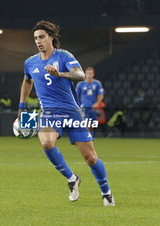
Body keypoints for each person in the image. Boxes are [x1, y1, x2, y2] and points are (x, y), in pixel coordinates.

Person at [18, 20, 115, 206]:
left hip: (72, 112)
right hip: (49, 112)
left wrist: (59, 74)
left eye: (42, 37)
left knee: (91, 158)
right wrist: (21, 107)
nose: (38, 41)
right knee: (46, 142)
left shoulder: (63, 56)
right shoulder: (30, 62)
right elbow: (27, 81)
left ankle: (106, 193)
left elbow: (79, 75)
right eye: (35, 38)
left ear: (51, 37)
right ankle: (72, 179)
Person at [76, 67, 105, 137]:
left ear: (93, 74)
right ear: (85, 74)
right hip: (84, 107)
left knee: (92, 124)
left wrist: (97, 103)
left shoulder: (97, 83)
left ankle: (90, 137)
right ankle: (86, 137)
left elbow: (101, 95)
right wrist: (78, 104)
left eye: (90, 73)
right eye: (88, 73)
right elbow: (75, 95)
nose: (89, 75)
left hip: (93, 107)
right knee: (86, 123)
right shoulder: (80, 84)